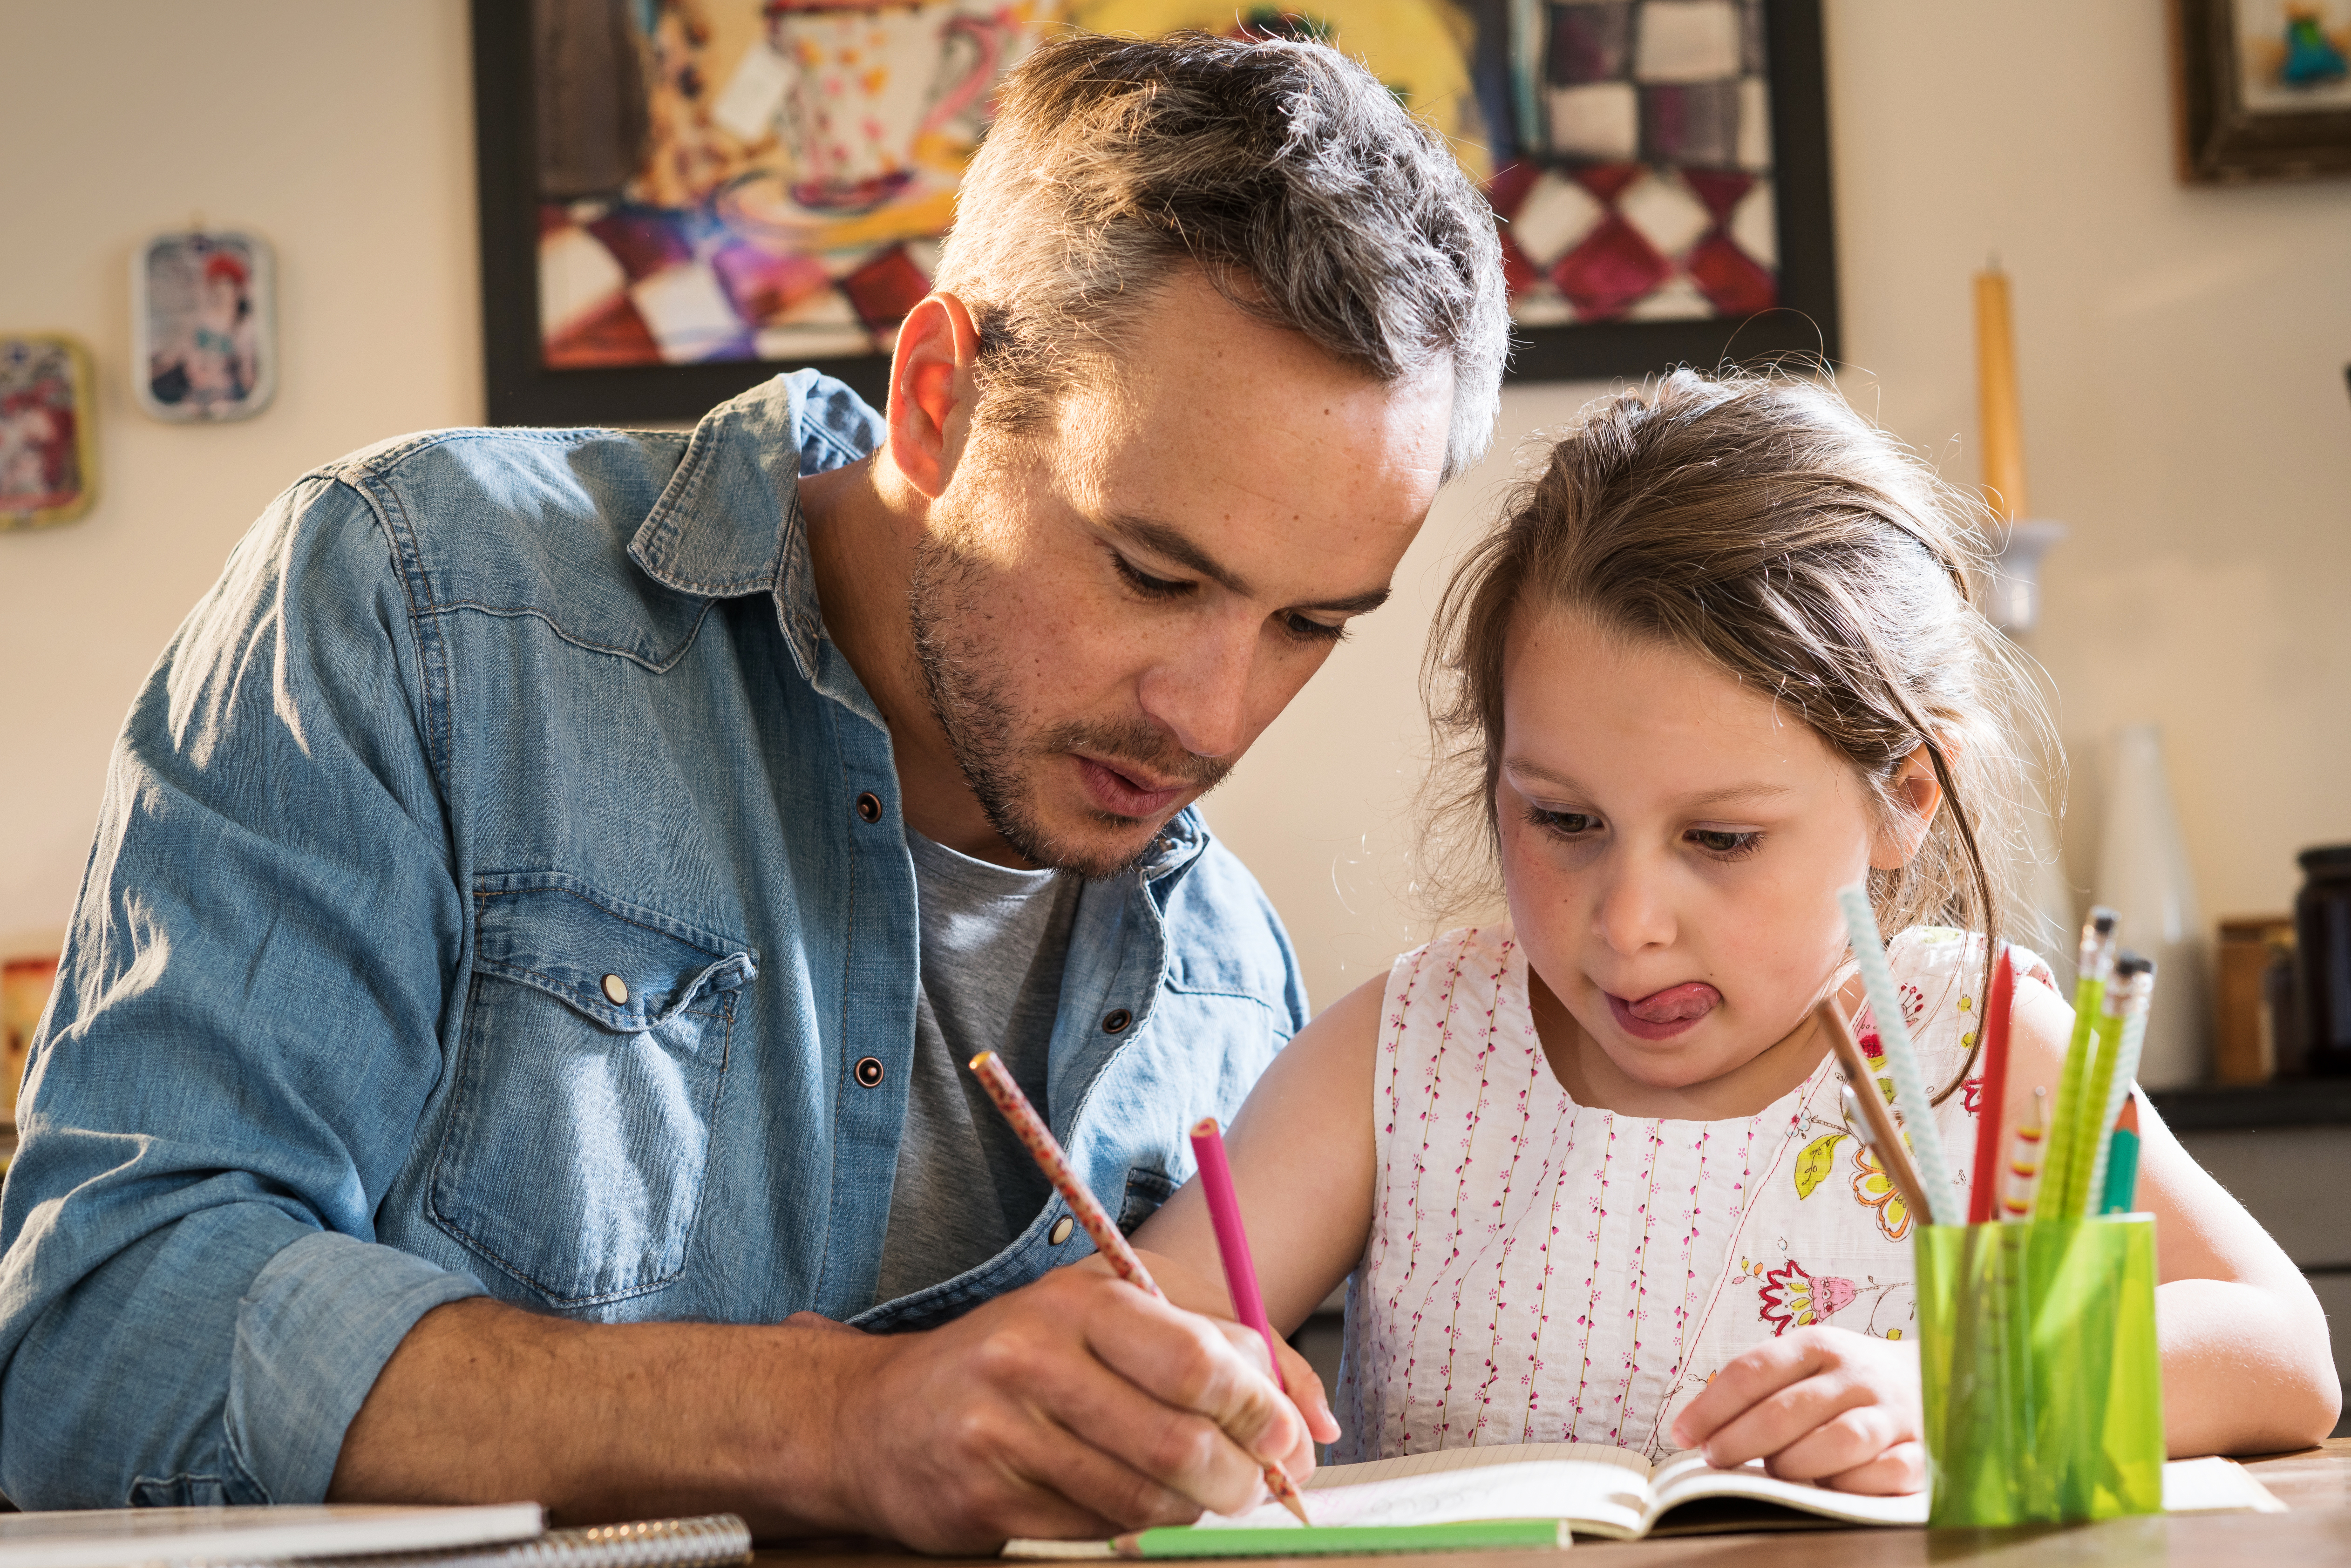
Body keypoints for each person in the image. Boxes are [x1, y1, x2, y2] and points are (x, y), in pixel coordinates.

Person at [0, 32, 1508, 1549]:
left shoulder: (1235, 988)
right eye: (1154, 572)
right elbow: (106, 1330)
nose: (1213, 715)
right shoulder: (420, 598)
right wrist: (841, 1421)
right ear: (937, 400)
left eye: (1311, 624)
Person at [1128, 368, 2342, 1483]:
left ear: (1905, 800)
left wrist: (1961, 1392)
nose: (1632, 923)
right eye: (1563, 820)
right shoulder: (1403, 1050)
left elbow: (2281, 1355)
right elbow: (1146, 1323)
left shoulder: (1978, 1039)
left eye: (1720, 840)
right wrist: (1178, 1383)